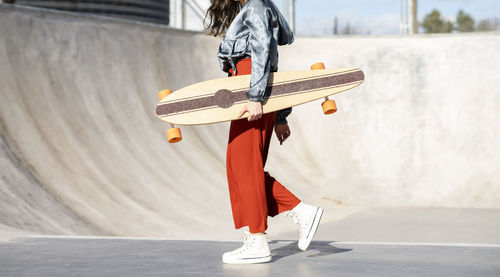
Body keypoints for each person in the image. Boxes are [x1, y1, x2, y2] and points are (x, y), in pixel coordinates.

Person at [205, 0, 323, 264]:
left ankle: (259, 239)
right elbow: (273, 63)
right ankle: (299, 212)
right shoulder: (256, 7)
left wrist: (255, 97)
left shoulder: (256, 5)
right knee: (242, 166)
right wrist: (280, 115)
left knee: (243, 165)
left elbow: (262, 53)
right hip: (252, 90)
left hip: (252, 91)